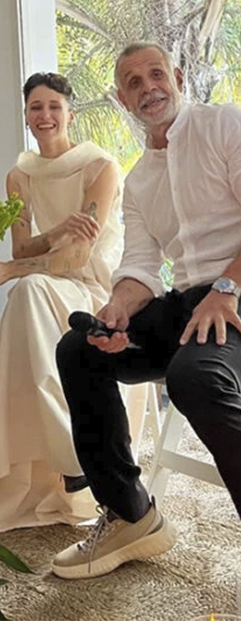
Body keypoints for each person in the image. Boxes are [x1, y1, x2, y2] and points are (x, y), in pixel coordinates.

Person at [52, 42, 241, 580]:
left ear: (177, 77)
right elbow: (141, 268)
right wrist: (117, 310)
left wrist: (226, 286)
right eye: (133, 81)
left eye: (156, 74)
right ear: (123, 99)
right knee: (80, 349)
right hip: (188, 302)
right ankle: (132, 515)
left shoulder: (227, 126)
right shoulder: (139, 180)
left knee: (194, 376)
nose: (148, 86)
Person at [0, 72, 147, 532]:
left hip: (96, 288)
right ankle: (71, 458)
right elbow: (27, 247)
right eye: (35, 108)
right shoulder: (19, 176)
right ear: (26, 117)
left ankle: (76, 458)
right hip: (49, 283)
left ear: (70, 114)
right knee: (29, 296)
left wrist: (13, 270)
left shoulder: (99, 167)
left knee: (27, 291)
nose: (44, 116)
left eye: (53, 107)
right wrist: (58, 230)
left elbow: (77, 257)